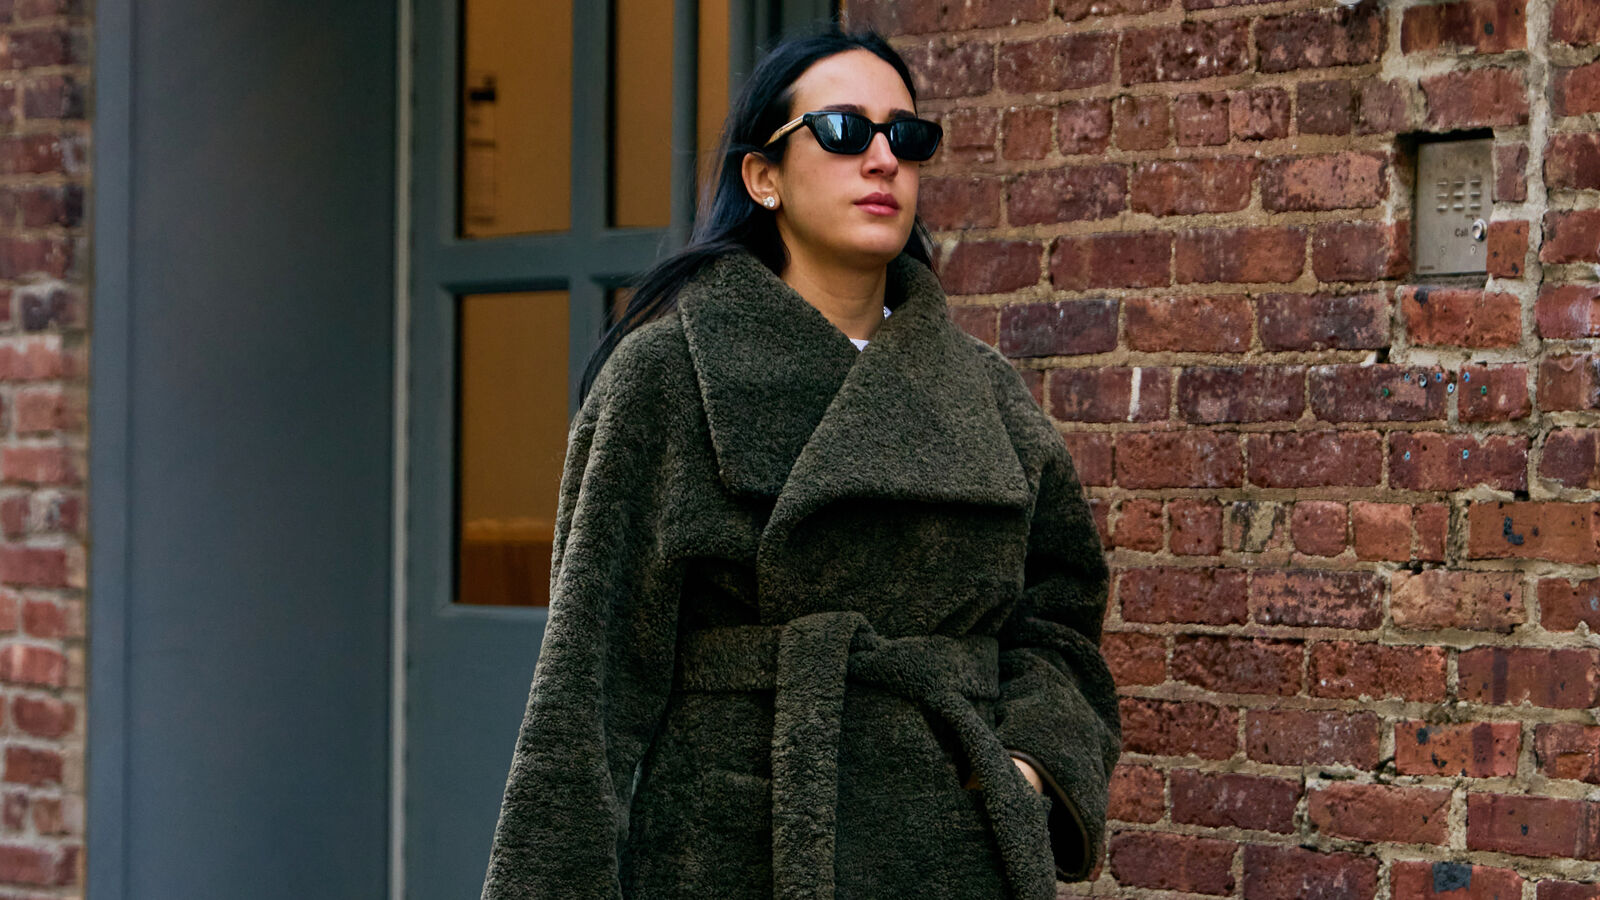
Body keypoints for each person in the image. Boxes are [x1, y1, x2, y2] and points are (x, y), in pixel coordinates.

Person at [480, 25, 1119, 900]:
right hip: (732, 848)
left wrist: (1026, 769)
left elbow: (1060, 616)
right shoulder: (669, 377)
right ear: (763, 176)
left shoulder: (985, 392)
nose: (884, 159)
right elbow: (586, 693)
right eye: (847, 131)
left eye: (908, 135)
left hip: (953, 852)